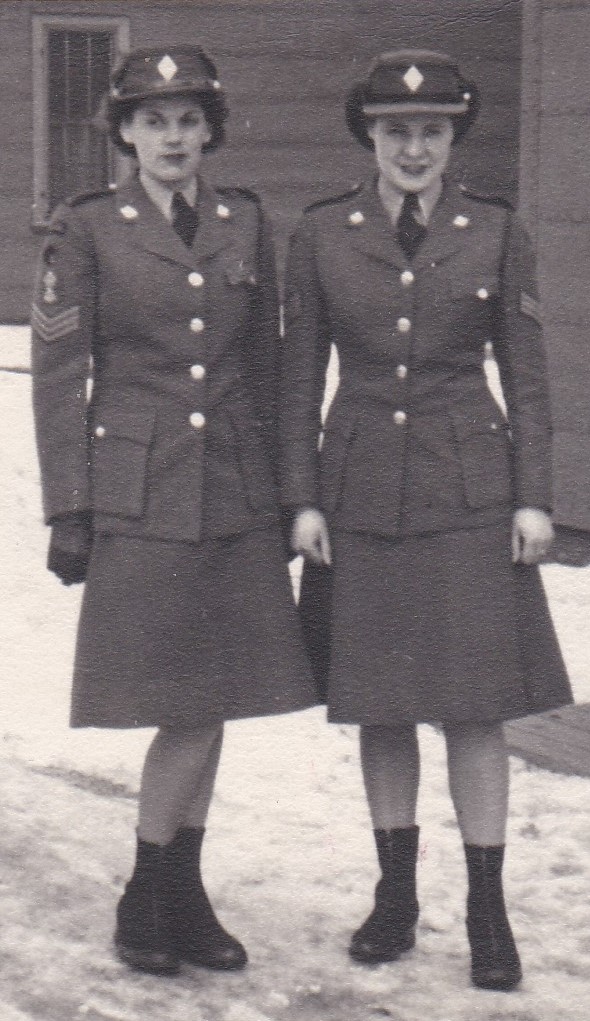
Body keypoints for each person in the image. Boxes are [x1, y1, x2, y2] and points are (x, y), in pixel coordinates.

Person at [280, 49, 572, 992]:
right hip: (360, 492)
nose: (414, 147)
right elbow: (298, 383)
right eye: (397, 130)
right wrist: (304, 499)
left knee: (475, 706)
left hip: (469, 491)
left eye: (432, 131)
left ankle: (489, 907)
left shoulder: (495, 230)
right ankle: (395, 894)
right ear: (369, 135)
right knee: (381, 700)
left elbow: (525, 377)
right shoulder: (324, 233)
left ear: (454, 138)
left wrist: (534, 495)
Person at [31, 44, 316, 978]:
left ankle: (174, 893)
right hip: (139, 490)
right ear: (123, 131)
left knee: (217, 690)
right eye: (154, 120)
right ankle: (148, 887)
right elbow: (59, 375)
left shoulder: (245, 220)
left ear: (212, 130)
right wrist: (70, 509)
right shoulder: (87, 228)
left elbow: (268, 368)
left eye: (190, 119)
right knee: (180, 697)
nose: (174, 136)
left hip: (233, 489)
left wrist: (284, 493)